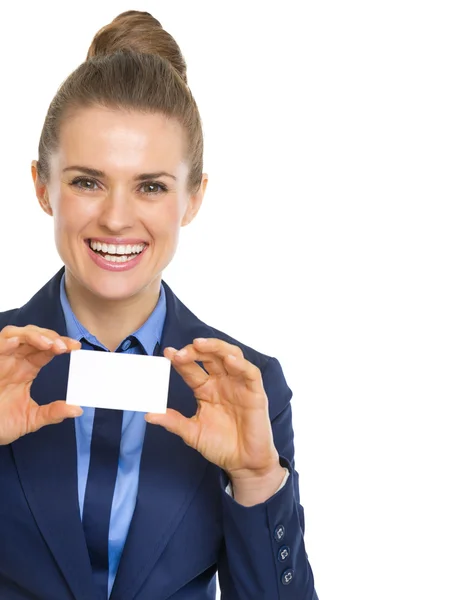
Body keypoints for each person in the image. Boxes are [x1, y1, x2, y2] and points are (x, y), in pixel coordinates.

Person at [0, 10, 318, 600]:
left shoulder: (249, 389)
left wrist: (255, 480)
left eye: (151, 186)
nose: (117, 217)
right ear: (42, 187)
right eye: (87, 181)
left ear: (193, 198)